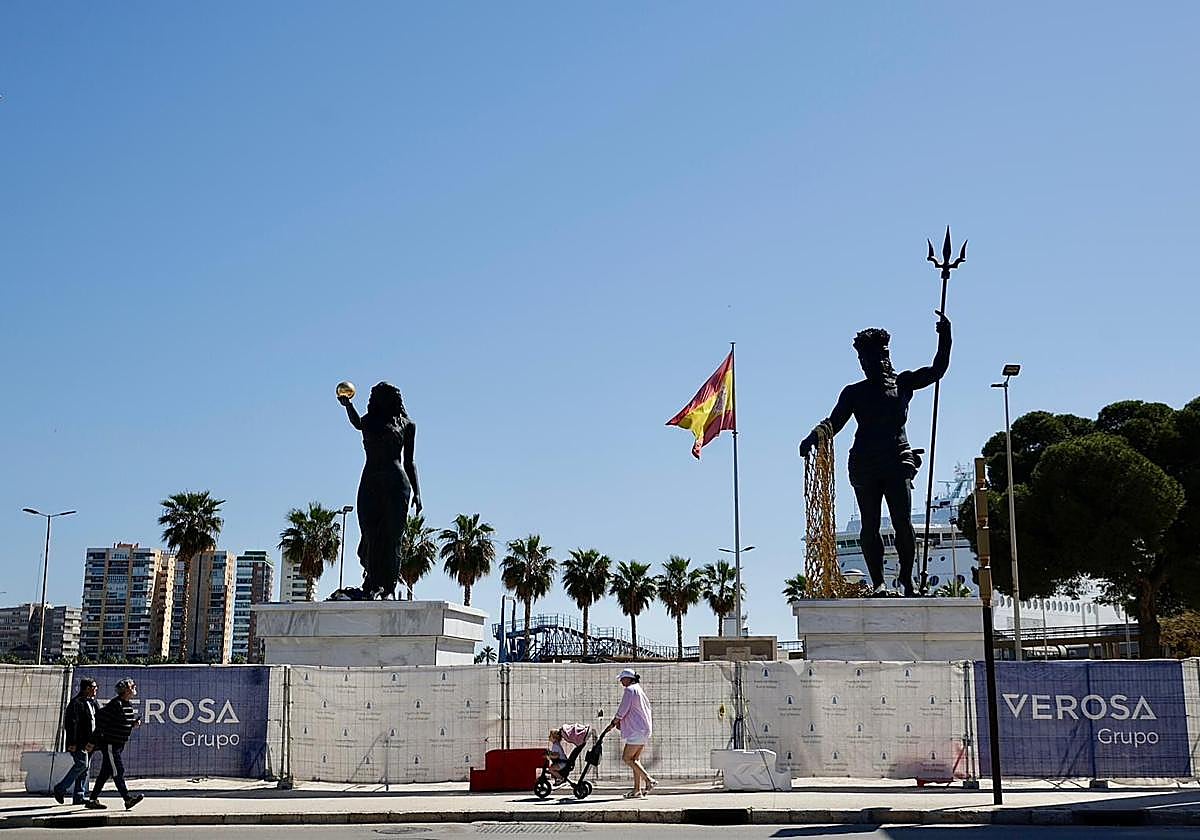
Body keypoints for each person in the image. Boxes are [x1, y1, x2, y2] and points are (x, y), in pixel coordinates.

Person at [798, 311, 952, 596]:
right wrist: (814, 436)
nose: (868, 365)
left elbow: (937, 370)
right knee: (868, 524)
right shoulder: (854, 392)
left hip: (896, 457)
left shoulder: (903, 383)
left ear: (886, 356)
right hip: (865, 461)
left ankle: (907, 579)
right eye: (863, 361)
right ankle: (879, 582)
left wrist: (945, 336)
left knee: (902, 522)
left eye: (874, 358)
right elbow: (835, 422)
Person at [339, 381, 422, 599]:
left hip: (396, 485)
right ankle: (371, 582)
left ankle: (387, 586)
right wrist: (347, 404)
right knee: (369, 532)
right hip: (370, 481)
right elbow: (357, 422)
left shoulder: (407, 425)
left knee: (392, 537)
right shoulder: (370, 421)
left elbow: (410, 462)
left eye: (376, 395)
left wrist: (418, 492)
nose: (371, 400)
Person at [85, 677, 144, 810]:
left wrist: (133, 724)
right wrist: (92, 742)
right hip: (111, 744)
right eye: (131, 685)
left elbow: (122, 722)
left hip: (119, 744)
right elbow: (101, 722)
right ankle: (127, 799)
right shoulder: (115, 704)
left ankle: (92, 799)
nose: (134, 687)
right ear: (125, 690)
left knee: (105, 773)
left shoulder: (127, 704)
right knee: (118, 770)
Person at [610, 668, 657, 799]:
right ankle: (637, 790)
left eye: (622, 678)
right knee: (635, 760)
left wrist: (614, 722)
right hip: (644, 729)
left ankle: (649, 780)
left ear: (628, 679)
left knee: (626, 758)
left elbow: (623, 709)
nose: (620, 681)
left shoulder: (630, 690)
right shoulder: (639, 690)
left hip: (637, 730)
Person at [52, 677, 99, 805]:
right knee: (82, 765)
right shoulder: (76, 703)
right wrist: (72, 743)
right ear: (87, 689)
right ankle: (60, 788)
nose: (96, 690)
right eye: (94, 688)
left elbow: (98, 721)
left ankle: (79, 796)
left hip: (90, 743)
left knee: (85, 768)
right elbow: (71, 724)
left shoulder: (93, 703)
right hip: (79, 743)